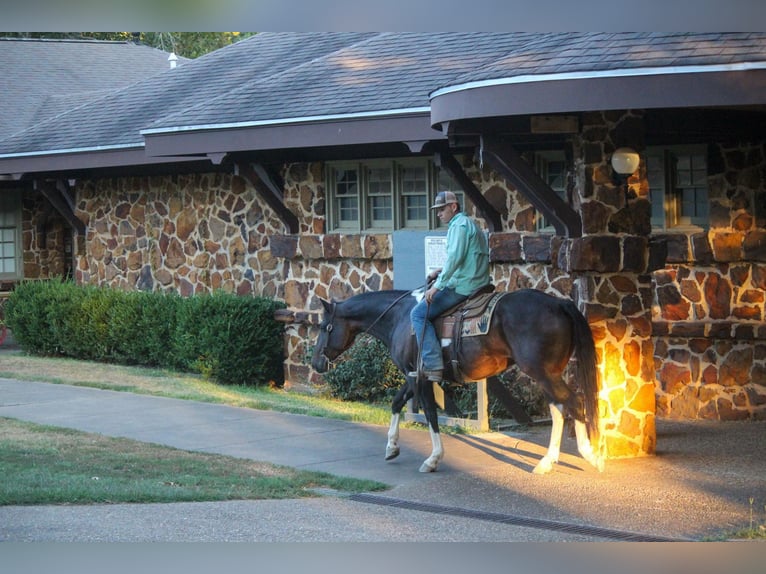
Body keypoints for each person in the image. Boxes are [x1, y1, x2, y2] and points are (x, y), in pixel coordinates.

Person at [409, 190, 490, 383]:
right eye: (437, 210)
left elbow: (455, 259)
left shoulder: (459, 227)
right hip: (477, 281)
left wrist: (436, 287)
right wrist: (439, 270)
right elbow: (462, 257)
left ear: (454, 207)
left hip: (464, 285)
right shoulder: (468, 224)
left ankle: (433, 364)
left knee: (418, 315)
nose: (438, 214)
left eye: (442, 209)